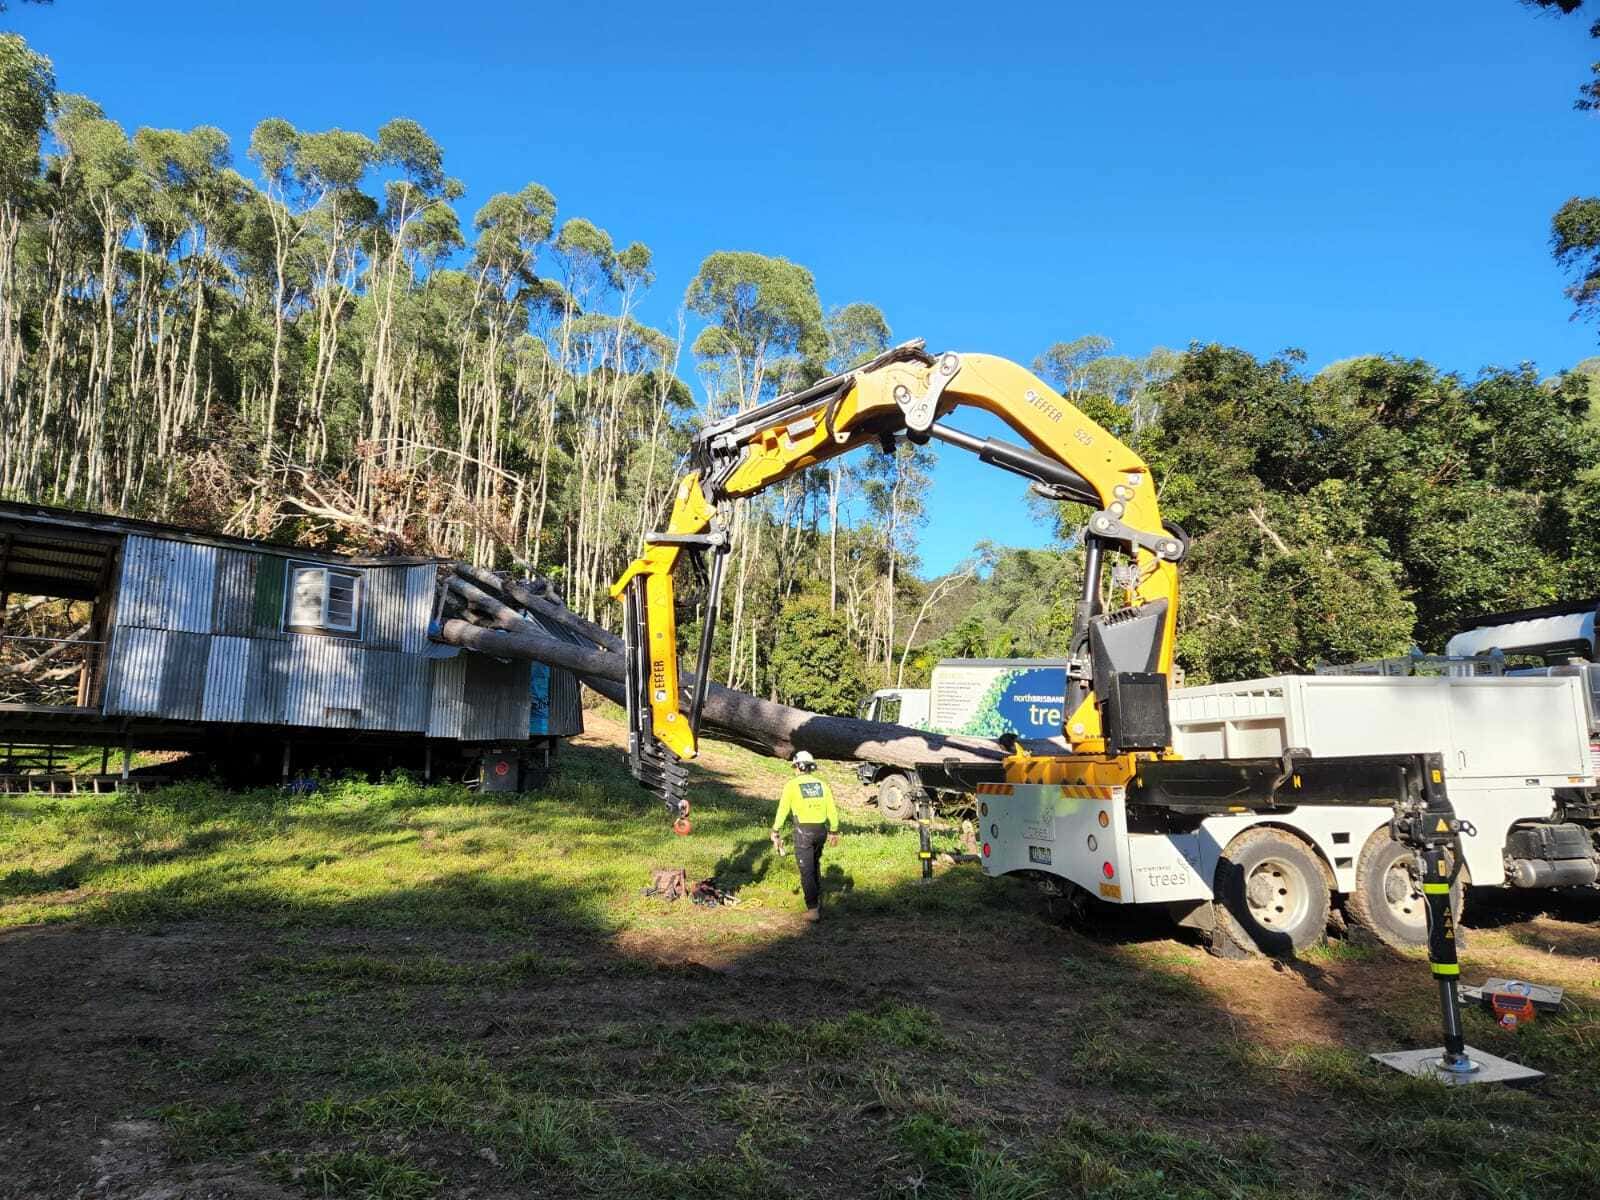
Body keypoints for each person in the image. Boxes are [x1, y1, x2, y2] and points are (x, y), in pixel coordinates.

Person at [770, 750, 840, 921]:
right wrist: (834, 830)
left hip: (803, 833)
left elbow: (783, 810)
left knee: (807, 871)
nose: (794, 770)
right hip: (821, 831)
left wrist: (776, 830)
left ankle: (813, 909)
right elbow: (832, 809)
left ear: (799, 766)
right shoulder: (822, 785)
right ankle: (818, 901)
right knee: (815, 865)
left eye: (795, 766)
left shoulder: (792, 785)